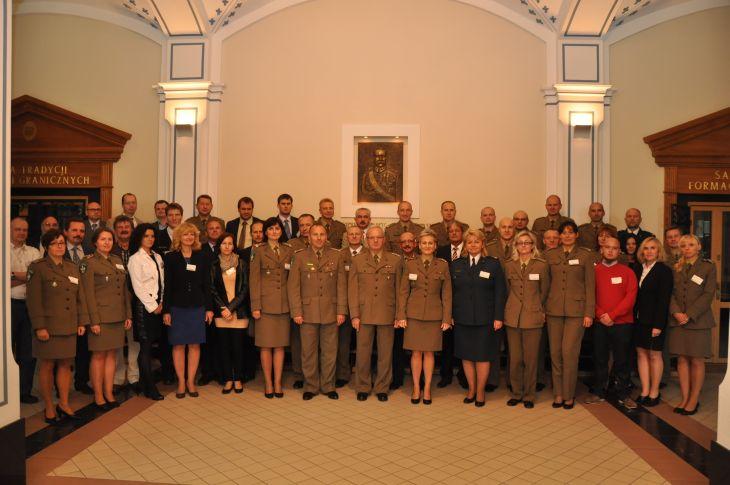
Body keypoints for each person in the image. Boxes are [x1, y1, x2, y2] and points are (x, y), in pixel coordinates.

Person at [26, 229, 88, 424]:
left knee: (66, 365)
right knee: (47, 365)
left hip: (69, 326)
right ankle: (49, 406)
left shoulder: (72, 267)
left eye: (62, 242)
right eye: (55, 243)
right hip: (49, 327)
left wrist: (81, 321)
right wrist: (39, 327)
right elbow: (34, 301)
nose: (60, 246)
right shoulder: (38, 268)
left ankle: (63, 402)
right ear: (47, 247)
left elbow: (79, 298)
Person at [288, 223, 347, 400]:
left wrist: (341, 311)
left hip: (331, 311)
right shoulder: (299, 257)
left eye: (322, 234)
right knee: (308, 351)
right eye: (315, 234)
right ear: (308, 237)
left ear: (326, 236)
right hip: (307, 313)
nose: (319, 238)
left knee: (330, 351)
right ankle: (311, 386)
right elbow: (293, 287)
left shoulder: (336, 256)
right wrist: (296, 312)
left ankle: (328, 386)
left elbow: (341, 286)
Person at [396, 229, 452, 405]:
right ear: (418, 245)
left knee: (429, 353)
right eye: (424, 243)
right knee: (415, 353)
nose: (427, 246)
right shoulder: (410, 264)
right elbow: (403, 292)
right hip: (413, 315)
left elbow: (447, 293)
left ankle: (427, 387)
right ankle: (415, 387)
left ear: (435, 246)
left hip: (434, 316)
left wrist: (446, 318)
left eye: (430, 243)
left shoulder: (442, 265)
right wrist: (401, 315)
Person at [451, 229, 505, 407]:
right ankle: (471, 389)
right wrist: (450, 315)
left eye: (476, 241)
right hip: (462, 318)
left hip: (485, 319)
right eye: (469, 242)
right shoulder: (457, 264)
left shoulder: (493, 264)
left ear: (483, 244)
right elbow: (450, 292)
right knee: (466, 356)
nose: (473, 245)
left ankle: (481, 391)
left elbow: (500, 293)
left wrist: (498, 317)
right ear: (465, 245)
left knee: (482, 356)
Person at [80, 228, 132, 410]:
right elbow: (87, 294)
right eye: (103, 239)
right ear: (95, 242)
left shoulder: (117, 261)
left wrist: (128, 314)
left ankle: (109, 393)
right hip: (100, 318)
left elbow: (124, 290)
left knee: (112, 356)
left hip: (117, 317)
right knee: (99, 356)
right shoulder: (88, 262)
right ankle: (98, 395)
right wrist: (93, 321)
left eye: (110, 239)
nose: (107, 242)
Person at [545, 220, 595, 410]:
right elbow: (545, 285)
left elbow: (590, 286)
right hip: (554, 311)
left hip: (576, 312)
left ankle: (569, 394)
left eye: (570, 232)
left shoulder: (585, 255)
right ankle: (558, 393)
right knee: (555, 354)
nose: (566, 235)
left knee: (569, 353)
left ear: (576, 235)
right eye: (563, 232)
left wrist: (589, 312)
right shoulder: (549, 255)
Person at [348, 226, 402, 402]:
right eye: (372, 238)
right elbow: (352, 290)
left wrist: (399, 315)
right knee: (363, 353)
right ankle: (363, 386)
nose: (376, 241)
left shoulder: (395, 260)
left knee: (386, 353)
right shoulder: (357, 260)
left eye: (379, 237)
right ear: (366, 239)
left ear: (384, 239)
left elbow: (400, 290)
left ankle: (382, 387)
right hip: (364, 314)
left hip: (387, 312)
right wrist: (354, 315)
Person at [584, 237, 638, 409]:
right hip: (600, 322)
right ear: (601, 249)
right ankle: (599, 392)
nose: (610, 251)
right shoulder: (593, 271)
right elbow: (589, 296)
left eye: (614, 248)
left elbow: (630, 297)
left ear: (619, 251)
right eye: (607, 247)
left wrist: (612, 315)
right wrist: (601, 315)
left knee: (622, 360)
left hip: (622, 323)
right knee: (600, 358)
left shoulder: (627, 271)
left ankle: (623, 394)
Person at [162, 223, 214, 398]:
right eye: (186, 235)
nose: (189, 237)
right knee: (178, 345)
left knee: (194, 344)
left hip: (197, 307)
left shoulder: (202, 256)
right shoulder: (170, 258)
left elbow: (207, 284)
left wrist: (209, 308)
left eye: (192, 234)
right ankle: (181, 382)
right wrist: (166, 311)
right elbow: (167, 286)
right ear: (179, 237)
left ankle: (191, 381)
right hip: (177, 307)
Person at [668, 234, 717, 415]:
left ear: (698, 247)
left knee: (696, 360)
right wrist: (676, 312)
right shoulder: (675, 266)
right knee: (682, 359)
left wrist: (689, 314)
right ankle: (685, 397)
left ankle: (694, 399)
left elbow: (708, 294)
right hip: (678, 320)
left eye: (690, 245)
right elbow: (670, 293)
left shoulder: (708, 266)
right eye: (683, 245)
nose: (686, 248)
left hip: (698, 321)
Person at [503, 230, 549, 409]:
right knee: (515, 358)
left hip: (533, 316)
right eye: (520, 242)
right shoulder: (509, 265)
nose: (523, 246)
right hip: (513, 317)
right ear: (515, 245)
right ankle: (516, 393)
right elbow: (508, 290)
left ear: (533, 245)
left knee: (530, 359)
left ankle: (529, 395)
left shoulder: (541, 265)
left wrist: (538, 308)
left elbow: (544, 291)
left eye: (527, 242)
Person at [250, 218, 294, 398]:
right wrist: (255, 305)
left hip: (284, 305)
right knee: (266, 346)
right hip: (265, 306)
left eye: (277, 228)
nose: (275, 232)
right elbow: (254, 280)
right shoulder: (258, 250)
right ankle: (268, 382)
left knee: (280, 346)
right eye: (271, 229)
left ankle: (278, 383)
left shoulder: (289, 250)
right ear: (265, 232)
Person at [633, 237, 673, 407]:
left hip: (655, 321)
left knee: (655, 355)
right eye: (646, 248)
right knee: (641, 354)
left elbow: (664, 300)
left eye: (653, 248)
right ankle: (645, 390)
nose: (649, 251)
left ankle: (655, 391)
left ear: (659, 251)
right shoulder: (636, 268)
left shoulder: (664, 270)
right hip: (637, 320)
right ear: (642, 251)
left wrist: (658, 325)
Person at [127, 224, 165, 400]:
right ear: (139, 238)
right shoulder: (135, 258)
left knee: (153, 345)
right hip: (144, 308)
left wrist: (162, 302)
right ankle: (149, 388)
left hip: (159, 305)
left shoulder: (157, 256)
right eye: (146, 236)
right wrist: (153, 306)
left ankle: (146, 383)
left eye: (152, 236)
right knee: (145, 347)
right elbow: (138, 287)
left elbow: (162, 283)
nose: (150, 239)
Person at [210, 232, 251, 394]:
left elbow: (245, 289)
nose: (227, 247)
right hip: (221, 314)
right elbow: (212, 290)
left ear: (234, 246)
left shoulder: (241, 263)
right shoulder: (213, 265)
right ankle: (228, 379)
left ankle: (238, 379)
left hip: (238, 313)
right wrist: (223, 308)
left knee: (238, 348)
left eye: (230, 244)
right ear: (219, 246)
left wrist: (231, 308)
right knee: (224, 348)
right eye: (224, 244)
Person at [10, 217, 41, 403]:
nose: (21, 233)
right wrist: (26, 276)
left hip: (30, 306)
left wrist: (12, 274)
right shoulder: (2, 251)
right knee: (6, 350)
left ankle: (24, 392)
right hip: (8, 306)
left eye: (25, 230)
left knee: (28, 352)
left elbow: (36, 277)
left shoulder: (34, 251)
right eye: (17, 229)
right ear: (9, 230)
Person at [64, 217, 93, 394]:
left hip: (84, 307)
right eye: (74, 230)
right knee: (65, 350)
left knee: (84, 348)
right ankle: (62, 387)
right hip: (64, 307)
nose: (78, 234)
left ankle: (81, 381)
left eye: (82, 231)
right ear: (66, 232)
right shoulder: (57, 250)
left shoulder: (90, 251)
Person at [435, 222, 466, 388]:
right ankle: (445, 375)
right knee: (446, 341)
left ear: (462, 233)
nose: (454, 233)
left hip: (463, 302)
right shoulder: (441, 251)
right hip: (444, 301)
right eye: (451, 231)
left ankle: (463, 375)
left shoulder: (469, 249)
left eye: (457, 231)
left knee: (463, 341)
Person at [110, 216, 138, 393]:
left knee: (135, 341)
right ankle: (119, 376)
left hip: (136, 302)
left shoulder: (139, 249)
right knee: (117, 341)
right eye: (120, 227)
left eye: (127, 226)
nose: (124, 229)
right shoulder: (110, 251)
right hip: (116, 302)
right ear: (115, 231)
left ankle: (134, 376)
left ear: (132, 229)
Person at [336, 225, 364, 388]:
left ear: (362, 236)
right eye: (351, 234)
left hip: (365, 306)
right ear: (347, 237)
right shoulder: (340, 255)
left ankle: (363, 374)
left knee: (364, 344)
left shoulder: (369, 254)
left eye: (357, 234)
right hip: (345, 305)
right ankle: (342, 374)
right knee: (343, 342)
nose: (354, 237)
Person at [391, 231, 418, 389]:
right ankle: (397, 379)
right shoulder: (394, 261)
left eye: (410, 241)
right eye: (403, 242)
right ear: (399, 245)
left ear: (415, 243)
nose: (407, 244)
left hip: (415, 311)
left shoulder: (422, 260)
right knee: (397, 347)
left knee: (417, 348)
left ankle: (418, 380)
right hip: (397, 311)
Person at [199, 218, 224, 386]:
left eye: (217, 228)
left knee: (222, 339)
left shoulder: (227, 248)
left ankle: (222, 371)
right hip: (206, 300)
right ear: (205, 232)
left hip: (224, 301)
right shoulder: (199, 251)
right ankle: (207, 372)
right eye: (211, 229)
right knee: (207, 339)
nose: (214, 231)